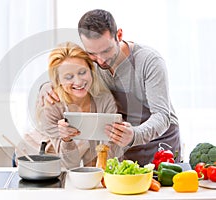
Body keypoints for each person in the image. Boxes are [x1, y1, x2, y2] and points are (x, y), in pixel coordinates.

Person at [40, 9, 181, 166]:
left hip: (159, 142)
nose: (100, 61)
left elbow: (162, 116)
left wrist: (134, 135)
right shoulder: (92, 61)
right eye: (92, 53)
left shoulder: (149, 62)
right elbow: (66, 71)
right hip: (121, 145)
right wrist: (46, 86)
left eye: (106, 51)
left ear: (119, 35)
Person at [27, 41, 123, 169]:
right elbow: (69, 165)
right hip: (35, 160)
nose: (78, 81)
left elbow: (108, 159)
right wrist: (67, 140)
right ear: (58, 81)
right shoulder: (51, 105)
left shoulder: (104, 100)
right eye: (68, 77)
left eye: (82, 72)